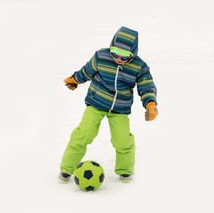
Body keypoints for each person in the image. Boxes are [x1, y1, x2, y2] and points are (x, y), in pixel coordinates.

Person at [58, 26, 158, 183]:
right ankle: (66, 168)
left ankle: (125, 169)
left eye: (125, 56)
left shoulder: (139, 66)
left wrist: (150, 103)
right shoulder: (101, 56)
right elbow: (87, 71)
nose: (119, 58)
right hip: (96, 103)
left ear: (133, 52)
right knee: (83, 133)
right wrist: (75, 79)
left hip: (120, 109)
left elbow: (146, 86)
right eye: (115, 53)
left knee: (123, 140)